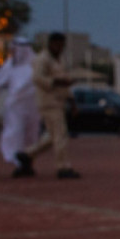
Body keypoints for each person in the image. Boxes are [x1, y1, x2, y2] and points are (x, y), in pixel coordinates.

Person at [0, 37, 40, 177]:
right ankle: (18, 162)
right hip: (15, 108)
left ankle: (28, 162)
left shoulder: (36, 64)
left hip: (33, 107)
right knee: (14, 135)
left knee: (31, 136)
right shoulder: (10, 66)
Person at [29, 32, 79, 179]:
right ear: (51, 44)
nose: (60, 48)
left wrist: (72, 101)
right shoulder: (42, 59)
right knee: (60, 134)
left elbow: (65, 81)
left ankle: (27, 154)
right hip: (48, 102)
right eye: (58, 45)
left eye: (62, 46)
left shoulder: (59, 60)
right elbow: (37, 78)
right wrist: (56, 82)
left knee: (53, 136)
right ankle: (63, 167)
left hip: (59, 101)